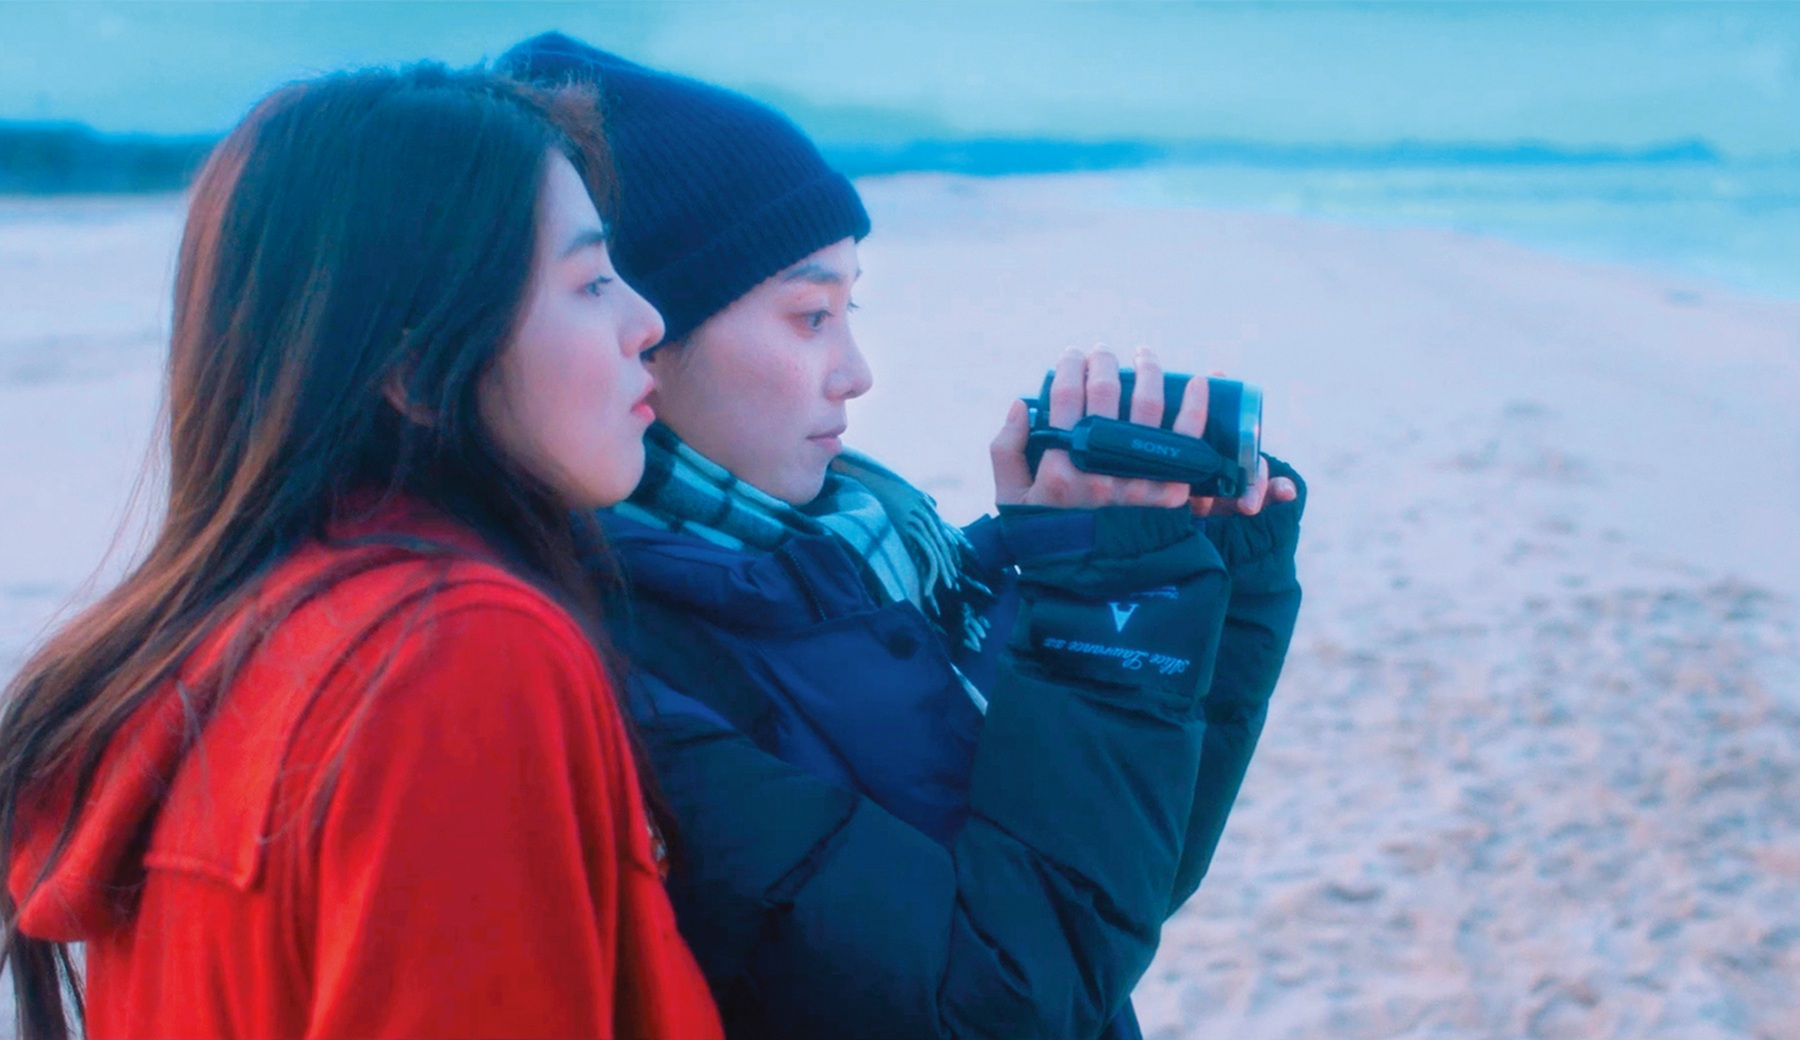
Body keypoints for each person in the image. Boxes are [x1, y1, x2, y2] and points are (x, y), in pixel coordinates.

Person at [506, 35, 1305, 1040]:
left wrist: (1201, 577)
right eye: (810, 315)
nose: (856, 371)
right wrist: (1106, 604)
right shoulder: (625, 665)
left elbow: (1114, 890)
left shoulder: (879, 559)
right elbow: (1004, 1000)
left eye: (853, 306)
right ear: (639, 333)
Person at [0, 65, 722, 1040]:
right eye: (590, 282)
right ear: (413, 364)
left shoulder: (222, 652)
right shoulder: (457, 655)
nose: (647, 322)